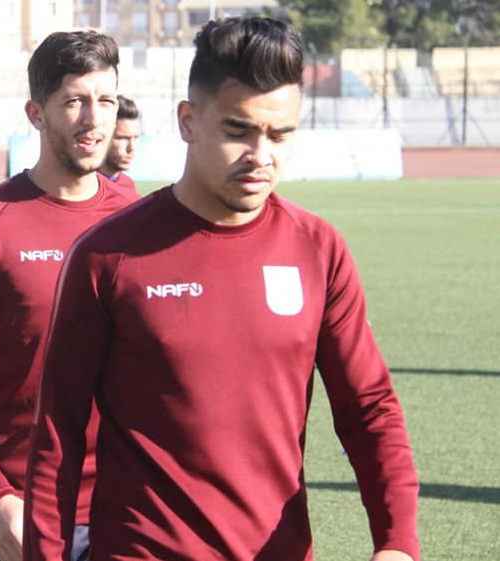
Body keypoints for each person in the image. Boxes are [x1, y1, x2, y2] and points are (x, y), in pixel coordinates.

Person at [24, 17, 419, 561]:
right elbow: (58, 433)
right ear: (188, 121)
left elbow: (369, 409)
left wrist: (397, 543)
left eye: (280, 135)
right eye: (238, 130)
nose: (261, 155)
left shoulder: (318, 249)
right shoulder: (107, 255)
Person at [0, 30, 140, 561]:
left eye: (106, 100)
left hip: (122, 509)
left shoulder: (138, 222)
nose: (94, 119)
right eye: (74, 101)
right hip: (13, 514)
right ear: (36, 113)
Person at [99, 94, 140, 192]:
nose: (131, 148)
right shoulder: (81, 187)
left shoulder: (128, 185)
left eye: (135, 137)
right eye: (122, 138)